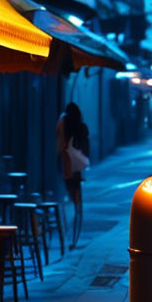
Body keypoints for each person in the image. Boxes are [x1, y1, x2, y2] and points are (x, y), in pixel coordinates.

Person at [56, 102, 90, 250]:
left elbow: (58, 138)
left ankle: (69, 234)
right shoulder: (82, 127)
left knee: (69, 197)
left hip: (67, 165)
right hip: (79, 166)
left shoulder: (64, 124)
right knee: (77, 199)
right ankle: (75, 234)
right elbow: (86, 147)